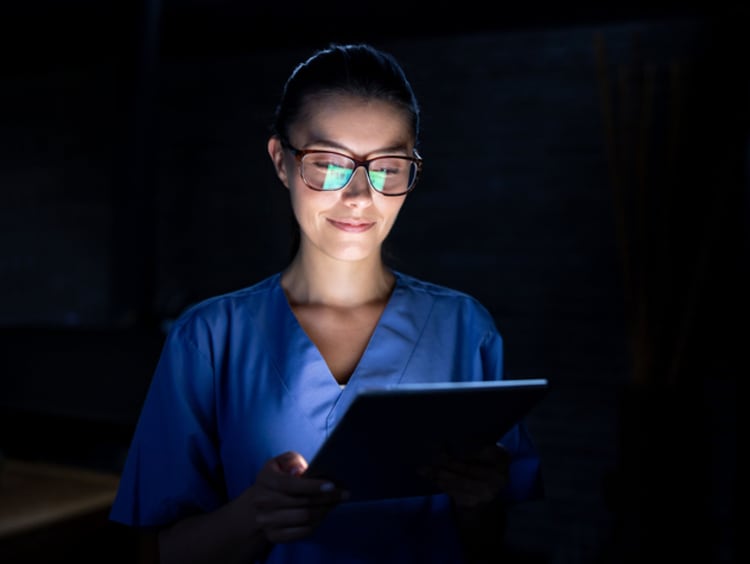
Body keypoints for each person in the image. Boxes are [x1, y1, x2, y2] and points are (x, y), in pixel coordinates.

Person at [109, 42, 543, 563]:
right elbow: (154, 553)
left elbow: (485, 544)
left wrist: (480, 500)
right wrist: (254, 515)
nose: (360, 194)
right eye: (330, 164)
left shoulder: (463, 329)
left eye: (387, 166)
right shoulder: (209, 337)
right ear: (281, 162)